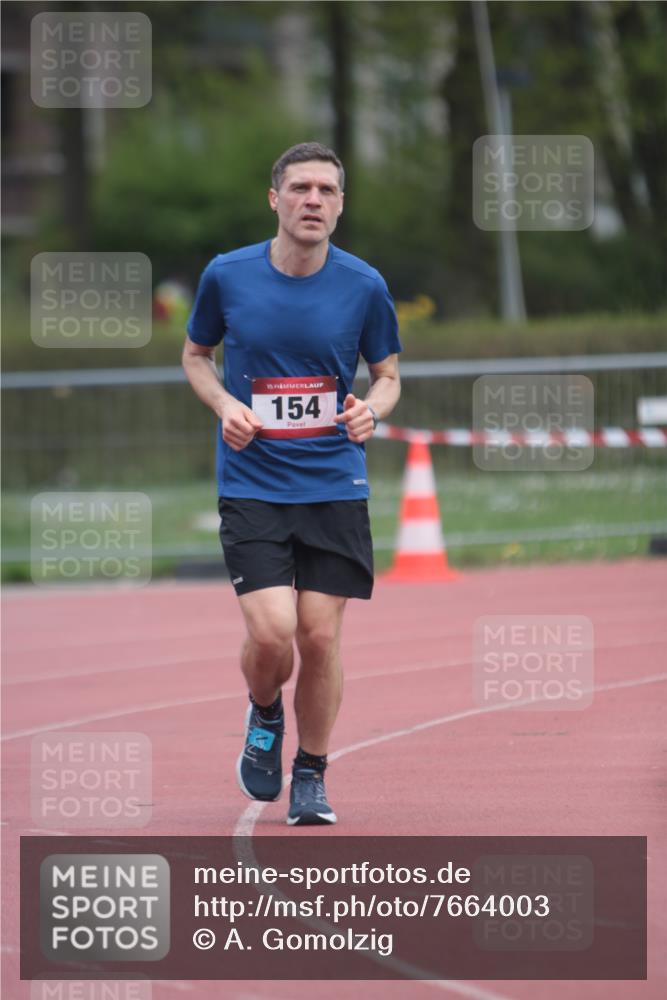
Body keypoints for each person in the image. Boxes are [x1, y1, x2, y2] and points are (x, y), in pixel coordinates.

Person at [182, 141, 401, 825]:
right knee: (274, 634)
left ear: (340, 206)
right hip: (253, 483)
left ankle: (310, 773)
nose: (313, 200)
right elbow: (195, 355)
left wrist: (371, 408)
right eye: (300, 188)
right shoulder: (228, 275)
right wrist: (226, 406)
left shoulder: (363, 284)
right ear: (274, 199)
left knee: (319, 637)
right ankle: (264, 710)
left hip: (334, 484)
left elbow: (387, 376)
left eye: (327, 191)